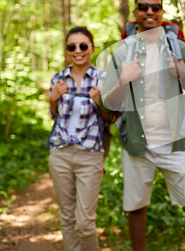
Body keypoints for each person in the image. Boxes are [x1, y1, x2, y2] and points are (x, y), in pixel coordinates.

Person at [100, 0, 185, 251]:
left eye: (155, 7)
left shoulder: (181, 49)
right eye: (143, 7)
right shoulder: (121, 53)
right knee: (136, 206)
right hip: (137, 146)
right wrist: (123, 79)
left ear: (163, 12)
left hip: (177, 144)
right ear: (135, 12)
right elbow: (107, 105)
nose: (150, 12)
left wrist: (183, 72)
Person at [48, 26, 111, 251]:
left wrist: (100, 102)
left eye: (83, 46)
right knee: (66, 217)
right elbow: (54, 116)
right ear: (66, 51)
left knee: (85, 222)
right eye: (72, 46)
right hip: (60, 153)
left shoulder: (102, 79)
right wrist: (52, 100)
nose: (78, 50)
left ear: (92, 49)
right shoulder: (58, 79)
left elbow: (109, 119)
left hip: (90, 155)